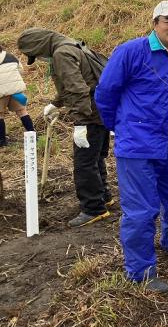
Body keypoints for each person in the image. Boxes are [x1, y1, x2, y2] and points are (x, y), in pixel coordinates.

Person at [94, 0, 168, 294]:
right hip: (137, 147)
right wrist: (119, 127)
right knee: (142, 211)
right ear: (155, 22)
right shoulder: (132, 51)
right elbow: (105, 93)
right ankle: (140, 271)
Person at [17, 29, 112, 227]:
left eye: (37, 55)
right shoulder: (73, 44)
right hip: (103, 110)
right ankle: (104, 196)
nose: (40, 59)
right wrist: (55, 103)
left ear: (39, 46)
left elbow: (78, 88)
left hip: (90, 115)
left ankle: (93, 209)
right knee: (95, 158)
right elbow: (80, 81)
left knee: (84, 163)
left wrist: (81, 123)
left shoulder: (61, 54)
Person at [0, 44, 35, 146]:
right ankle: (32, 134)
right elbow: (21, 70)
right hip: (16, 90)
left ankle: (2, 140)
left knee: (0, 115)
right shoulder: (11, 57)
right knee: (22, 111)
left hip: (1, 92)